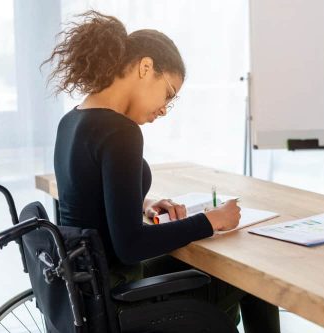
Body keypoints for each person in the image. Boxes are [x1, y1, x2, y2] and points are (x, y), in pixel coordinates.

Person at [44, 10, 280, 333]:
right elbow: (131, 245)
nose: (164, 109)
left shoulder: (71, 122)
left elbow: (88, 198)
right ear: (145, 68)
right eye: (168, 93)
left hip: (89, 295)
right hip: (121, 301)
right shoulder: (121, 132)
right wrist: (212, 221)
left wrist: (139, 203)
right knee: (254, 275)